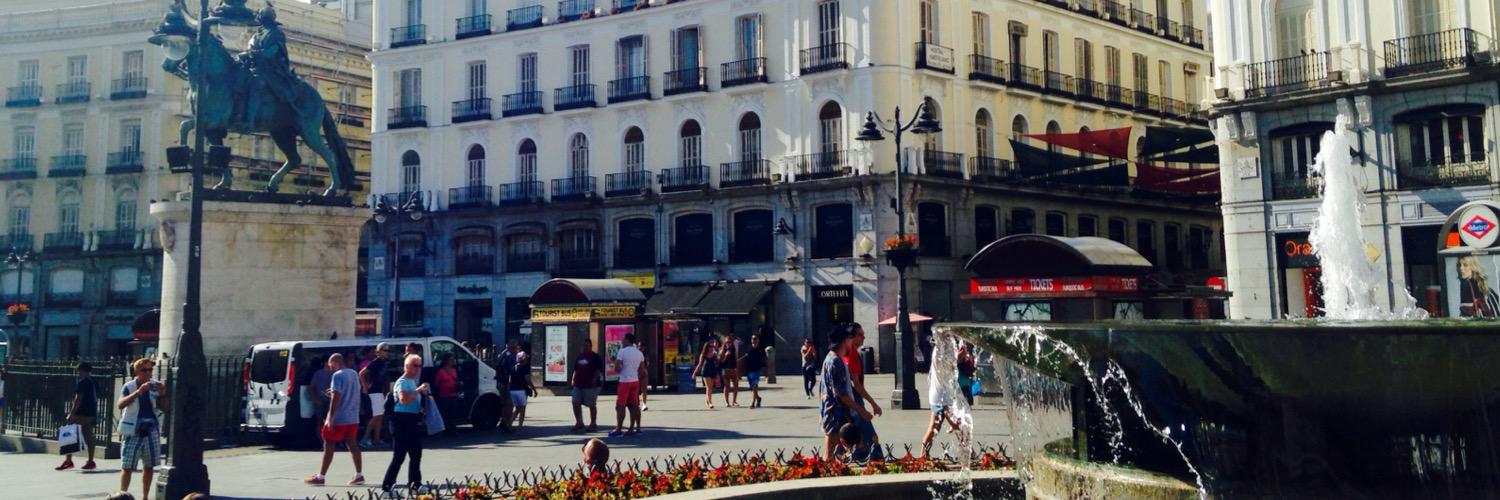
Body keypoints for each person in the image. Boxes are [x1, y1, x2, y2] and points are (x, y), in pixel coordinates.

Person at [306, 354, 364, 485]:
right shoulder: (354, 373)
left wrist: (330, 418)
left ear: (335, 362)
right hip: (353, 416)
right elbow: (350, 392)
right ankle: (359, 474)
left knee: (329, 445)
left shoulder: (337, 375)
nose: (330, 367)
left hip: (339, 417)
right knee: (352, 444)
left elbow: (336, 397)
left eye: (330, 364)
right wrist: (332, 393)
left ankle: (321, 476)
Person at [117, 358, 167, 500]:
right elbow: (120, 404)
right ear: (137, 372)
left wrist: (163, 393)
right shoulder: (129, 386)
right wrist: (138, 392)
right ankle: (122, 495)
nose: (148, 373)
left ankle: (145, 497)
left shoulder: (154, 386)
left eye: (150, 370)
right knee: (127, 466)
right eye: (144, 370)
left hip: (151, 427)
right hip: (133, 428)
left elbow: (164, 408)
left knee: (149, 466)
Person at [820, 326, 872, 459]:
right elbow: (841, 395)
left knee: (835, 453)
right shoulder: (835, 361)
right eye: (850, 339)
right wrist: (861, 411)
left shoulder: (832, 358)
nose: (852, 342)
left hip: (834, 413)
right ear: (844, 341)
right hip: (836, 414)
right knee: (830, 455)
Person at [382, 354, 429, 493]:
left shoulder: (412, 381)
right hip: (401, 421)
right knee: (399, 456)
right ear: (407, 366)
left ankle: (415, 484)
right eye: (415, 365)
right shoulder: (402, 382)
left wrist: (421, 408)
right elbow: (404, 400)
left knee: (416, 453)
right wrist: (419, 390)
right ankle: (387, 487)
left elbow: (412, 401)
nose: (418, 368)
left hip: (411, 420)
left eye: (420, 365)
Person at [840, 323, 883, 448]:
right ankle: (874, 457)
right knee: (871, 438)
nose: (864, 337)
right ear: (851, 337)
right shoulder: (852, 355)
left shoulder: (847, 353)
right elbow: (857, 385)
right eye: (860, 335)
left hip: (848, 401)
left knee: (854, 437)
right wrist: (873, 404)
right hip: (855, 400)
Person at [58, 361, 99, 471]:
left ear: (83, 371)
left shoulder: (82, 382)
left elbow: (78, 399)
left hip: (81, 412)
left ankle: (68, 461)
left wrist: (71, 414)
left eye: (79, 371)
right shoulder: (93, 381)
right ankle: (90, 461)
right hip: (91, 412)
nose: (78, 373)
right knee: (88, 435)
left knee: (69, 432)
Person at [610, 333, 646, 437]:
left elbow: (616, 368)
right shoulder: (639, 353)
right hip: (635, 381)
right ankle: (634, 428)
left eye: (623, 339)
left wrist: (620, 370)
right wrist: (636, 376)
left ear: (627, 340)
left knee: (620, 405)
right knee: (634, 405)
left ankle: (619, 429)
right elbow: (642, 369)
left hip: (624, 381)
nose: (622, 341)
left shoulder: (622, 352)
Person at [360, 342, 392, 448]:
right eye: (385, 350)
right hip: (374, 391)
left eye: (388, 350)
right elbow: (361, 373)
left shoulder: (383, 363)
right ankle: (365, 439)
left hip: (379, 391)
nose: (387, 352)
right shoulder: (376, 362)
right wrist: (365, 387)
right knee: (376, 416)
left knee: (380, 415)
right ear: (379, 351)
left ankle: (377, 439)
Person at [570, 338, 605, 432]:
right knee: (575, 402)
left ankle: (593, 423)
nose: (585, 347)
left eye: (587, 345)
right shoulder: (579, 356)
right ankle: (579, 422)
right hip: (578, 384)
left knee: (591, 404)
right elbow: (575, 369)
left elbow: (598, 370)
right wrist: (573, 379)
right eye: (583, 345)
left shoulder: (595, 357)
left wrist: (594, 379)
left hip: (591, 386)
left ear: (591, 346)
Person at [506, 343, 537, 430]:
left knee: (517, 409)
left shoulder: (513, 368)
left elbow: (510, 381)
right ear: (523, 359)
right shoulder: (525, 368)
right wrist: (534, 390)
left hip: (513, 391)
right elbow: (528, 381)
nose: (527, 359)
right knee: (522, 409)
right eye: (526, 358)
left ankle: (509, 424)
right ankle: (519, 427)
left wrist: (509, 390)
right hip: (521, 391)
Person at [434, 353, 460, 436]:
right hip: (444, 395)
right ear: (446, 360)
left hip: (453, 394)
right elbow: (436, 384)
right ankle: (441, 430)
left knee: (453, 413)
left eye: (453, 359)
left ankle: (453, 429)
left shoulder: (454, 370)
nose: (453, 361)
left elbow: (456, 380)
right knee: (443, 413)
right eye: (451, 359)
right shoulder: (441, 372)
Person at [693, 337, 722, 409]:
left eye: (712, 347)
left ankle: (707, 401)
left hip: (713, 371)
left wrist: (717, 355)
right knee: (708, 387)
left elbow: (718, 362)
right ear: (706, 348)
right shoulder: (703, 355)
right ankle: (710, 403)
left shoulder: (714, 354)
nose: (711, 348)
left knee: (710, 388)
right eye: (710, 347)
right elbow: (699, 365)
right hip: (705, 372)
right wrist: (694, 373)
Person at [741, 335, 768, 409]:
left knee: (755, 386)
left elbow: (765, 359)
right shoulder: (748, 348)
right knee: (752, 388)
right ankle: (758, 398)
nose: (753, 340)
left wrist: (766, 370)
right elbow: (745, 358)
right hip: (749, 370)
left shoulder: (761, 349)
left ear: (758, 340)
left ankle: (753, 403)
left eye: (755, 339)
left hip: (757, 370)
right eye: (752, 339)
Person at [719, 333, 741, 407]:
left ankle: (734, 401)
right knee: (727, 386)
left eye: (730, 342)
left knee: (736, 385)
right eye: (727, 342)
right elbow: (721, 361)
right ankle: (727, 402)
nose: (728, 344)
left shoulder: (734, 349)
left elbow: (736, 359)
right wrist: (725, 355)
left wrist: (737, 369)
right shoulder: (722, 350)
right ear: (725, 343)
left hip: (733, 369)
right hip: (726, 370)